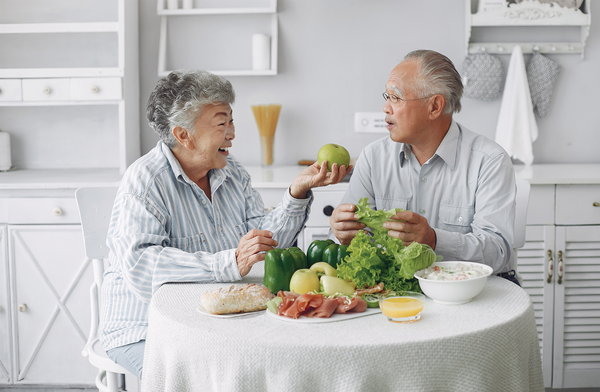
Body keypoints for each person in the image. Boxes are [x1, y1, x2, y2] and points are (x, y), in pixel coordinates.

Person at [101, 70, 350, 379]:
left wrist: (297, 192)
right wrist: (228, 262)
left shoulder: (232, 172)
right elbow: (142, 267)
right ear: (183, 135)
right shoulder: (145, 181)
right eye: (222, 123)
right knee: (203, 382)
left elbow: (265, 243)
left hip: (215, 324)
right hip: (145, 330)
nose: (232, 133)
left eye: (231, 121)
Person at [330, 49, 518, 285]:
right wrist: (341, 232)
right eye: (386, 97)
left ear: (435, 107)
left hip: (470, 295)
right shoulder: (372, 158)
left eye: (395, 98)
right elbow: (348, 243)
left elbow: (499, 253)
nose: (385, 108)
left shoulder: (489, 161)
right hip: (396, 296)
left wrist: (434, 240)